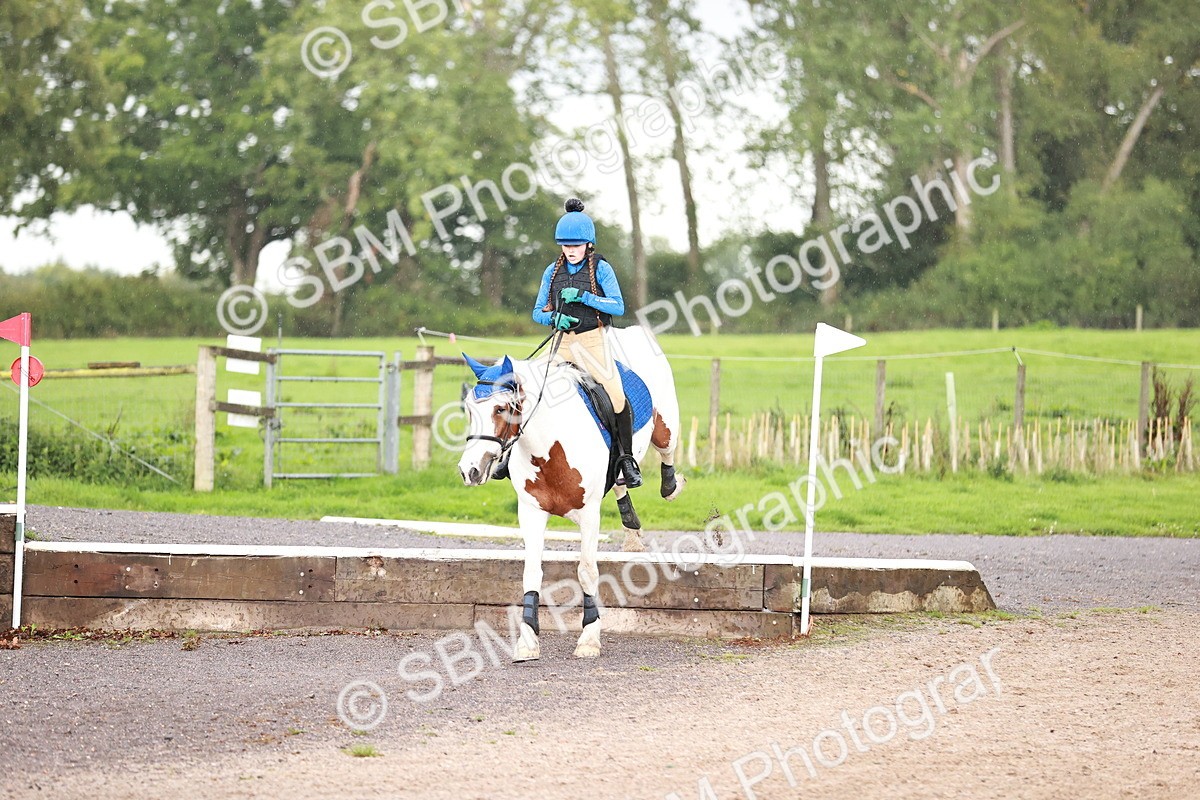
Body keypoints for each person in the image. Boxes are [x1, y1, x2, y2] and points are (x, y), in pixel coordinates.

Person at [531, 198, 642, 488]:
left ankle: (626, 460)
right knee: (530, 385)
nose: (571, 251)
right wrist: (553, 319)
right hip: (561, 342)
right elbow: (537, 311)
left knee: (616, 395)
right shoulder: (551, 271)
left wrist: (584, 297)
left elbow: (618, 306)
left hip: (592, 341)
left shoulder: (601, 269)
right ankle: (509, 457)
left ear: (588, 244)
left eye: (576, 245)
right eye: (566, 246)